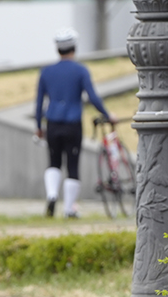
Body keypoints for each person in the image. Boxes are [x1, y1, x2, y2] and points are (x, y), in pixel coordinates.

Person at [34, 28, 113, 218]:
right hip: (72, 123)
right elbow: (92, 97)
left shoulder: (46, 72)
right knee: (72, 165)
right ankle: (69, 209)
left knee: (53, 162)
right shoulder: (80, 71)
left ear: (57, 49)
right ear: (74, 48)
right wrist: (107, 114)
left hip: (52, 123)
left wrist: (38, 125)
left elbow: (39, 102)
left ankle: (52, 195)